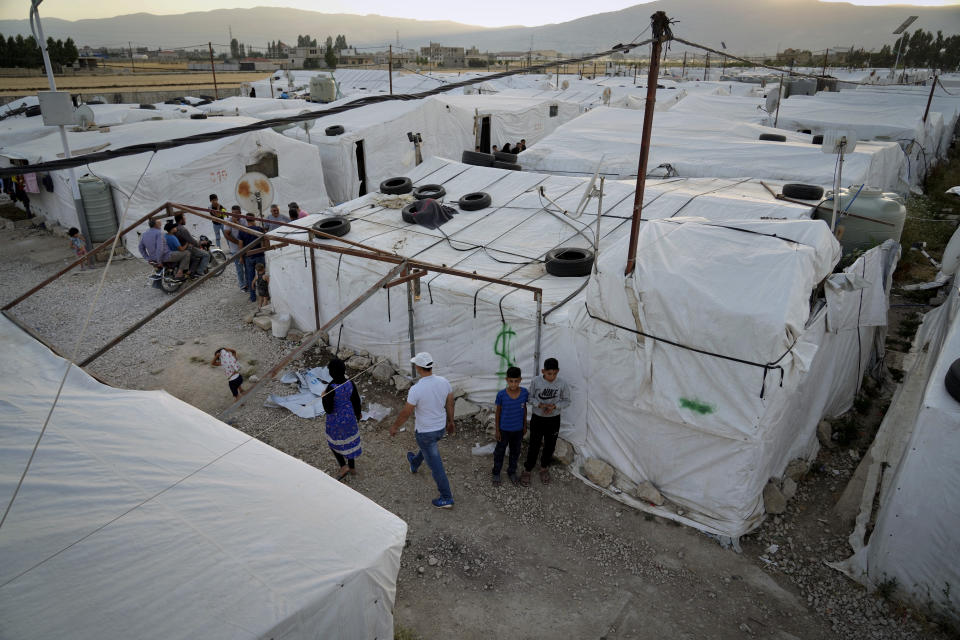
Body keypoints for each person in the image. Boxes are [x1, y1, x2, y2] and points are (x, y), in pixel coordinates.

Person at [389, 352, 455, 509]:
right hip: (440, 429)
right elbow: (450, 404)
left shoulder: (416, 389)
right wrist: (451, 422)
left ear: (418, 367)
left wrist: (395, 426)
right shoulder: (444, 382)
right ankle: (414, 462)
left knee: (436, 465)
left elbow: (406, 412)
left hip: (425, 432)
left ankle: (446, 497)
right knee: (428, 449)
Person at [521, 357, 570, 486]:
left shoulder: (562, 383)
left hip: (554, 419)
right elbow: (530, 397)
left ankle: (544, 467)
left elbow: (567, 401)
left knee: (550, 444)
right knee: (534, 444)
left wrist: (554, 407)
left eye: (554, 373)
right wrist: (540, 405)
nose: (552, 377)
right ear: (543, 371)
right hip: (538, 418)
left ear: (558, 371)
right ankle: (528, 468)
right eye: (549, 374)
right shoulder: (536, 381)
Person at [321, 358, 362, 481]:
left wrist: (323, 397)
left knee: (335, 443)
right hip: (349, 419)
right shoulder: (350, 383)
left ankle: (343, 466)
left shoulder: (331, 388)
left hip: (336, 421)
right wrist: (358, 413)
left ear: (331, 373)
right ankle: (352, 467)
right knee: (349, 442)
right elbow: (356, 400)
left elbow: (328, 409)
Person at [492, 366, 529, 486]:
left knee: (515, 452)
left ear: (520, 380)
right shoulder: (501, 395)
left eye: (516, 381)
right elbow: (498, 413)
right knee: (500, 452)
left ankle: (511, 472)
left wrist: (524, 426)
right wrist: (497, 430)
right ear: (507, 380)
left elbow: (524, 409)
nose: (514, 384)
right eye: (511, 381)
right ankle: (496, 472)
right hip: (504, 430)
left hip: (518, 430)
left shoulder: (524, 393)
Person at [238, 215, 268, 303]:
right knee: (262, 276)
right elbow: (265, 240)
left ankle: (253, 297)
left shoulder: (242, 231)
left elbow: (240, 245)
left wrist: (241, 257)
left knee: (250, 277)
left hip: (249, 257)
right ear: (254, 219)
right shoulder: (259, 229)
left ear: (246, 220)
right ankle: (266, 295)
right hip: (259, 255)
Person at [222, 206, 247, 289]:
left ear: (240, 213)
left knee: (247, 267)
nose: (234, 215)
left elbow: (247, 231)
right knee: (239, 269)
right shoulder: (228, 220)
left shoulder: (243, 220)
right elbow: (227, 234)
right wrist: (239, 243)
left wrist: (237, 223)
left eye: (236, 213)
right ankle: (242, 285)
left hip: (246, 247)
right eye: (233, 213)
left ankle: (248, 283)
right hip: (235, 248)